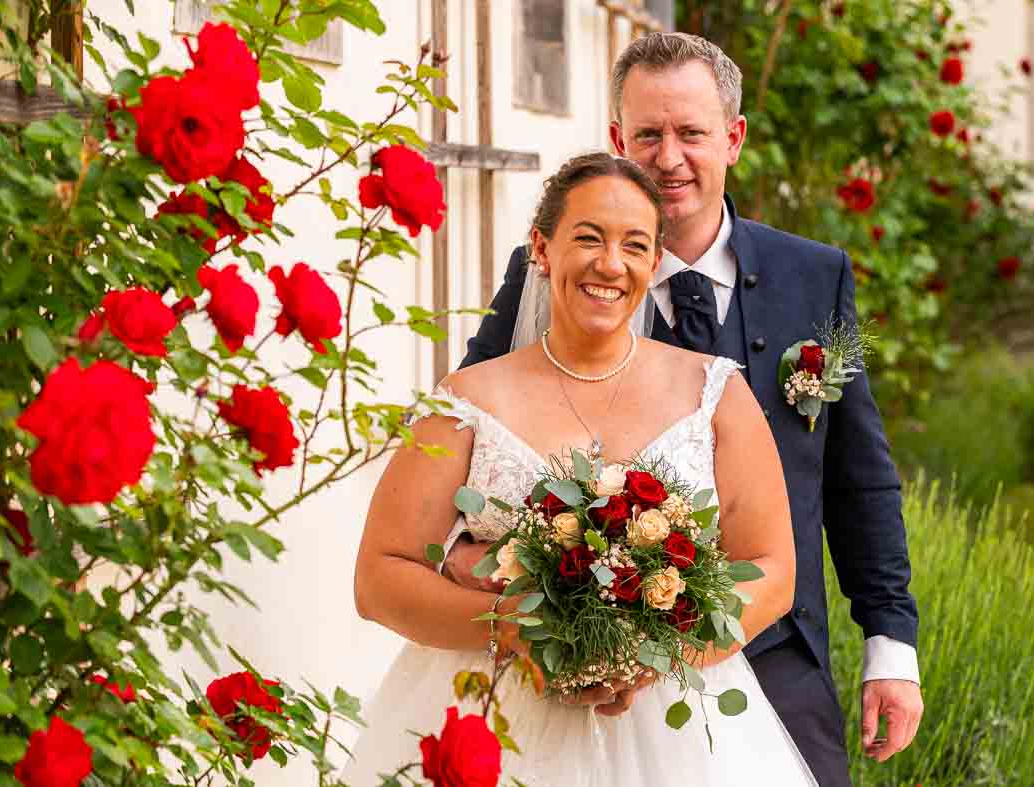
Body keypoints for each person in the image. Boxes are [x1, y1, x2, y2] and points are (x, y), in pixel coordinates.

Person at [448, 33, 922, 786]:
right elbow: (469, 433)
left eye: (691, 133)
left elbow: (856, 479)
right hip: (588, 676)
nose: (668, 158)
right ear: (617, 140)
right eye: (648, 135)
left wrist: (889, 644)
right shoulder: (556, 274)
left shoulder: (813, 276)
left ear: (733, 138)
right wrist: (478, 563)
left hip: (777, 651)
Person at [342, 152, 817, 786]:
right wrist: (512, 626)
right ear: (541, 248)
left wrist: (659, 653)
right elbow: (379, 578)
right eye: (589, 238)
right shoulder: (465, 403)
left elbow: (773, 569)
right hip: (495, 720)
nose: (610, 264)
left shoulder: (714, 393)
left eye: (634, 245)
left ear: (654, 262)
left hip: (675, 734)